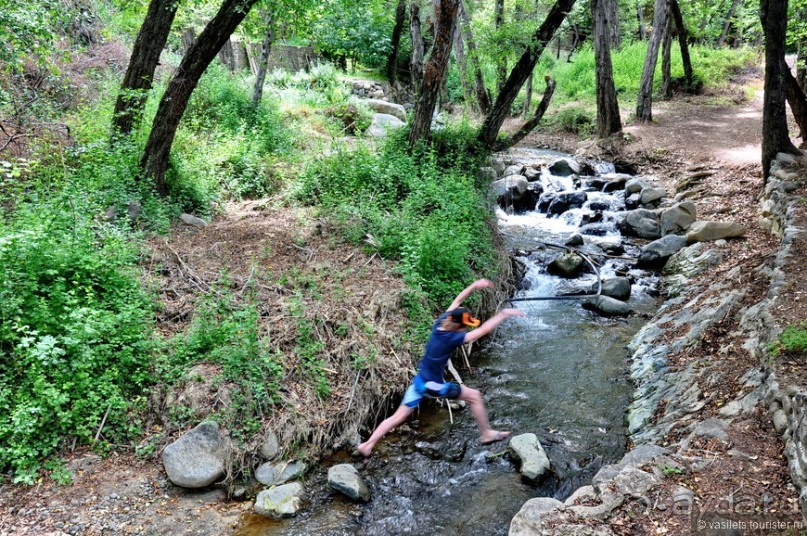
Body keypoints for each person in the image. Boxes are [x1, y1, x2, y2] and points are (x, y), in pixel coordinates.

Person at [357, 278, 525, 457]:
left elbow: (458, 301)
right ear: (459, 327)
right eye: (465, 327)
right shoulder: (452, 338)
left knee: (397, 417)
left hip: (419, 383)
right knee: (475, 396)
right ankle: (486, 434)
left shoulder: (442, 322)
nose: (465, 330)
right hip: (432, 386)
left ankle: (367, 445)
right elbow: (482, 331)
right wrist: (503, 314)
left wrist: (474, 286)